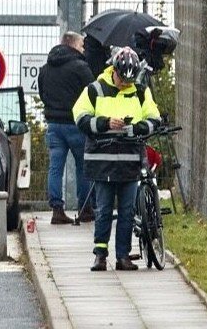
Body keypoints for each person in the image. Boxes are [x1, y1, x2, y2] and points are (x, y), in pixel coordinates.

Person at [72, 46, 161, 271]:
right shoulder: (95, 90)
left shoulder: (140, 91)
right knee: (103, 210)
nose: (125, 84)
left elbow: (154, 118)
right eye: (122, 79)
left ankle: (123, 256)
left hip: (130, 160)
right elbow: (80, 117)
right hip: (103, 161)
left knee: (127, 211)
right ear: (114, 71)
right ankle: (100, 254)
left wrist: (138, 128)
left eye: (129, 80)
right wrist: (104, 123)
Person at [37, 32, 94, 225]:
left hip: (53, 124)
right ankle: (85, 209)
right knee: (83, 166)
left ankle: (57, 210)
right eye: (81, 45)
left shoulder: (45, 68)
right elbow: (92, 93)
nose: (83, 49)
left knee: (55, 168)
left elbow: (42, 93)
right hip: (76, 124)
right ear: (72, 45)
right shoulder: (80, 67)